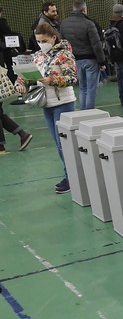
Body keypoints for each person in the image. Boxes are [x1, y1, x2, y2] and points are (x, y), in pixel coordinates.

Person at [14, 22, 77, 193]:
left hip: (63, 103)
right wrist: (20, 84)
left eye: (43, 40)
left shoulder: (64, 55)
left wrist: (53, 80)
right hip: (46, 105)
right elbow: (24, 77)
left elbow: (72, 78)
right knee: (58, 144)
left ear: (53, 38)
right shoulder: (38, 56)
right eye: (38, 41)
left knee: (65, 144)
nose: (40, 44)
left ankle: (72, 178)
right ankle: (70, 176)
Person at [61, 0, 107, 110]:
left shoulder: (64, 23)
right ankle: (90, 112)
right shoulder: (89, 23)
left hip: (74, 61)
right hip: (90, 60)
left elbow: (63, 44)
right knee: (91, 88)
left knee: (82, 87)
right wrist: (102, 61)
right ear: (84, 10)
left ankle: (83, 111)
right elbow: (96, 45)